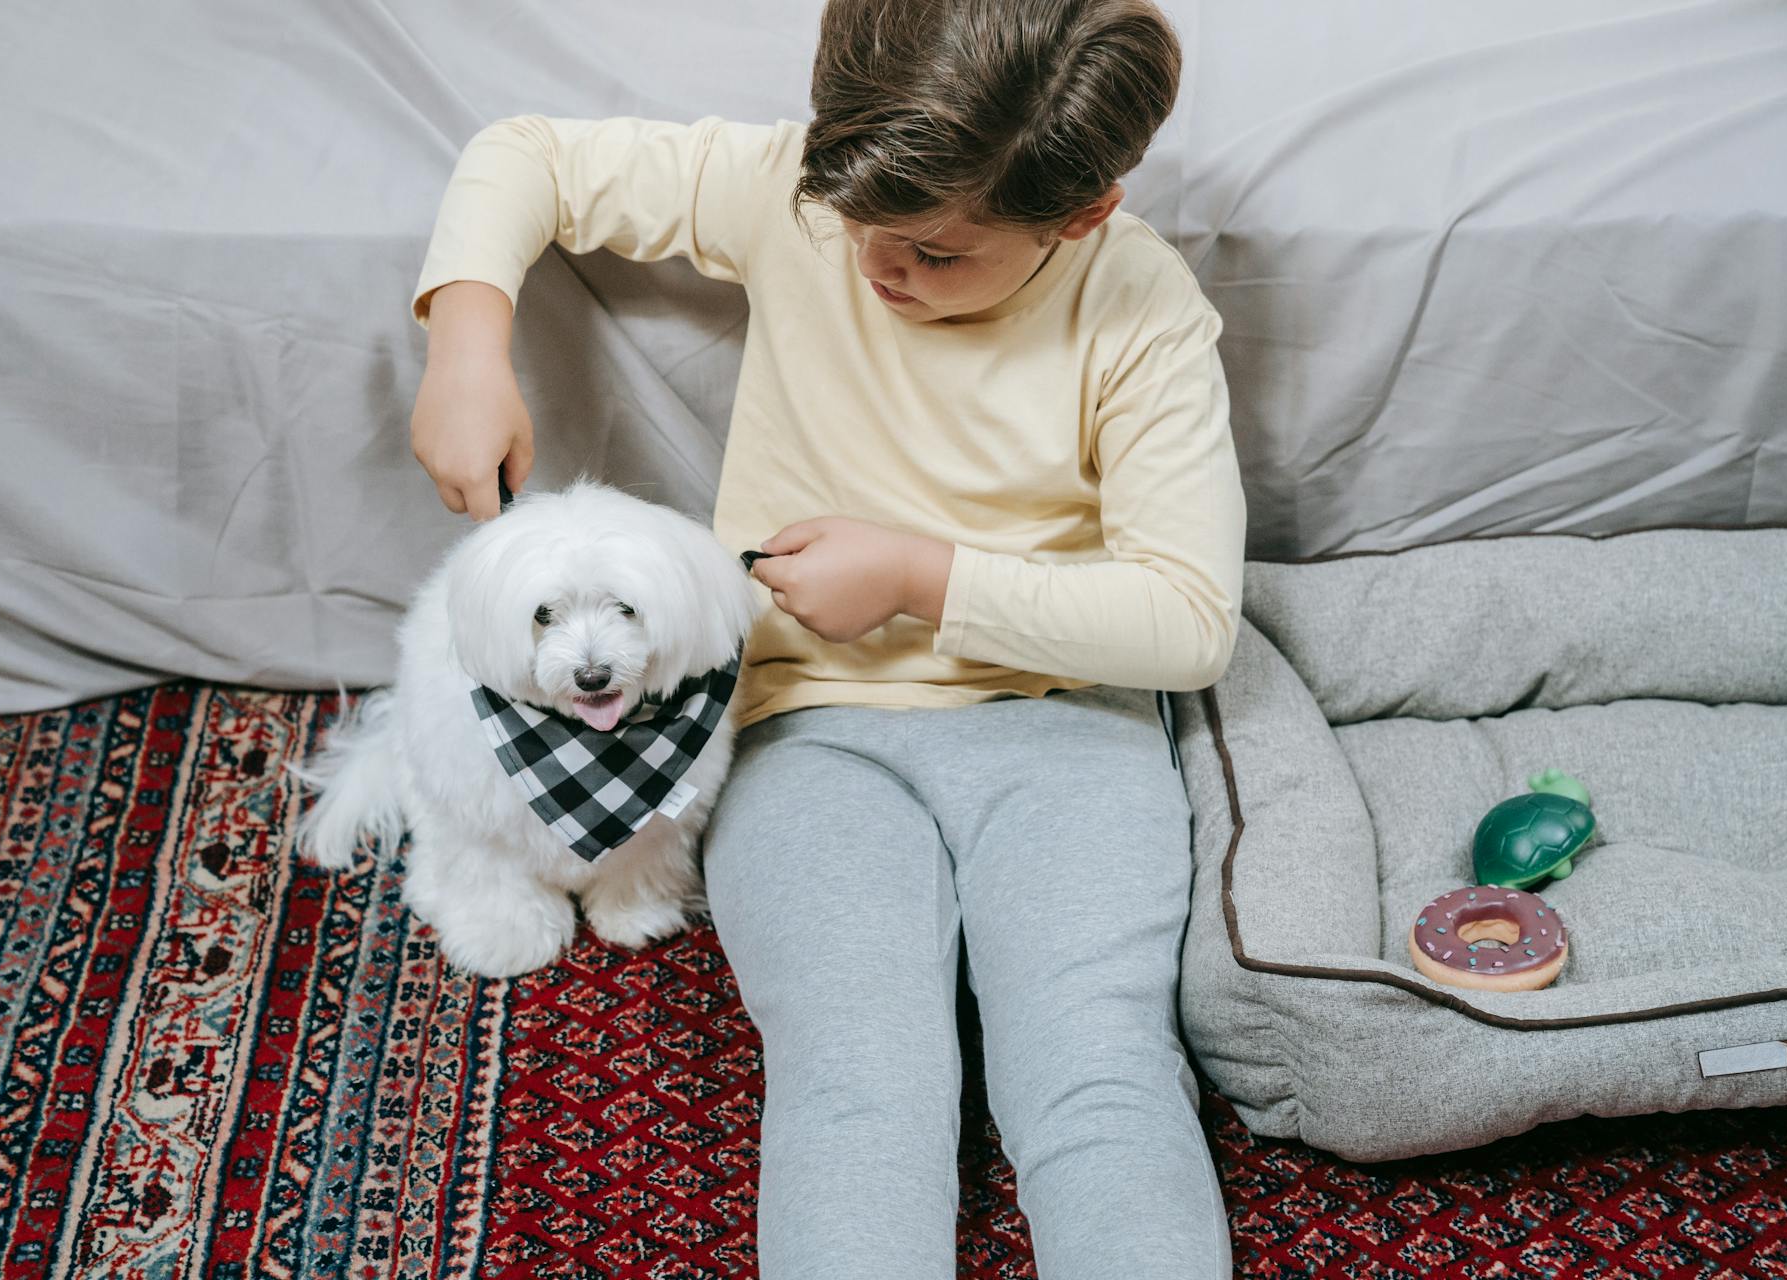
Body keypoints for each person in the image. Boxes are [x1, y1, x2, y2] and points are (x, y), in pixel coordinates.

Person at [407, 0, 1244, 1274]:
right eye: (861, 227)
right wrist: (466, 342)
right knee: (855, 1078)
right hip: (813, 735)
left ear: (1084, 213)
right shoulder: (799, 196)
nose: (878, 266)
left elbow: (1188, 620)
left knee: (1100, 1072)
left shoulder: (1142, 309)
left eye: (937, 253)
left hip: (1070, 726)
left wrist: (921, 575)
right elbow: (527, 154)